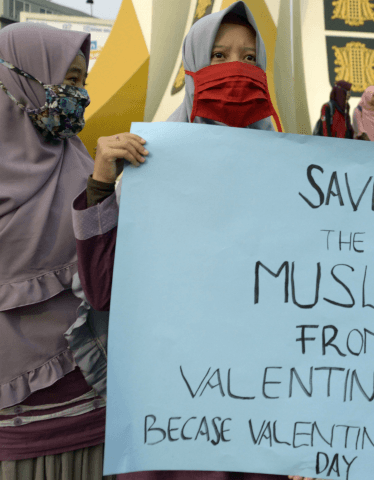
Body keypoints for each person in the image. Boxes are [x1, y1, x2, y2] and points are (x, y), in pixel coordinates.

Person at [71, 2, 286, 479]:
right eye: (219, 54)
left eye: (250, 58)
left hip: (263, 416)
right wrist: (102, 185)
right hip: (174, 416)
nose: (236, 69)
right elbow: (104, 290)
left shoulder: (294, 176)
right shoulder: (152, 163)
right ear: (191, 64)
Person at [0, 23, 120, 480]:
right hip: (16, 430)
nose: (78, 95)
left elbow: (106, 276)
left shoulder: (84, 163)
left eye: (80, 82)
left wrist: (101, 190)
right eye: (67, 81)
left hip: (94, 415)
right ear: (20, 78)